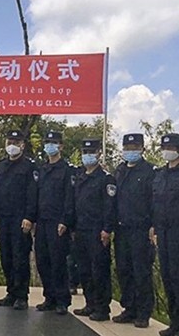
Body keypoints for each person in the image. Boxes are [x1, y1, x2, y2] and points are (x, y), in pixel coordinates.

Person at [0, 130, 38, 311]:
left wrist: (29, 217)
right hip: (4, 218)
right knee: (6, 257)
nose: (12, 144)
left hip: (21, 219)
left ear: (22, 145)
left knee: (20, 258)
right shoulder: (1, 166)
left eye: (16, 141)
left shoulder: (29, 167)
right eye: (10, 141)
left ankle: (21, 296)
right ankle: (11, 292)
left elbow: (32, 194)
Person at [113, 133, 155, 328]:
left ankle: (143, 312)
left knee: (141, 272)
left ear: (142, 149)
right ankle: (129, 308)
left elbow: (154, 202)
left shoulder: (149, 172)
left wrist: (153, 226)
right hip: (121, 230)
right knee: (124, 270)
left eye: (135, 147)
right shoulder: (119, 171)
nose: (131, 151)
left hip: (141, 230)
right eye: (127, 148)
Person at [71, 139, 116, 322]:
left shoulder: (106, 178)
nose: (87, 155)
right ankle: (90, 303)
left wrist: (107, 229)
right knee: (84, 270)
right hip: (81, 229)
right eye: (84, 151)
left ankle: (102, 308)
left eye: (91, 152)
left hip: (98, 232)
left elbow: (109, 206)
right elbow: (75, 204)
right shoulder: (80, 176)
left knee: (99, 270)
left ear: (99, 154)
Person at [34, 131, 75, 315]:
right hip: (42, 222)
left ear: (61, 146)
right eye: (47, 141)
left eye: (54, 142)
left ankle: (62, 300)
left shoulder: (67, 170)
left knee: (58, 262)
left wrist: (65, 220)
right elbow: (37, 196)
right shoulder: (42, 169)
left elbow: (69, 198)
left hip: (58, 223)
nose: (50, 145)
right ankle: (49, 297)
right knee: (43, 261)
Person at [152, 133, 179, 336]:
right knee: (168, 277)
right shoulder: (160, 174)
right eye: (164, 147)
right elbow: (156, 204)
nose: (167, 151)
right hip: (162, 232)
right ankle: (174, 322)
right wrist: (154, 227)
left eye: (171, 147)